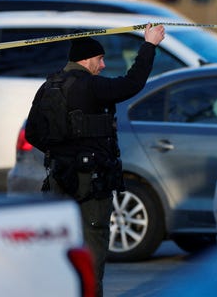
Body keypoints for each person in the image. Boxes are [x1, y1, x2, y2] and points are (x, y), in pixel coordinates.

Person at [36, 24, 164, 297]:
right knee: (93, 247)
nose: (104, 65)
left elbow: (35, 133)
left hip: (59, 177)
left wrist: (62, 151)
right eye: (99, 59)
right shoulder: (91, 86)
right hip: (91, 182)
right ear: (85, 60)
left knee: (63, 248)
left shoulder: (48, 86)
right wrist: (149, 45)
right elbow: (132, 83)